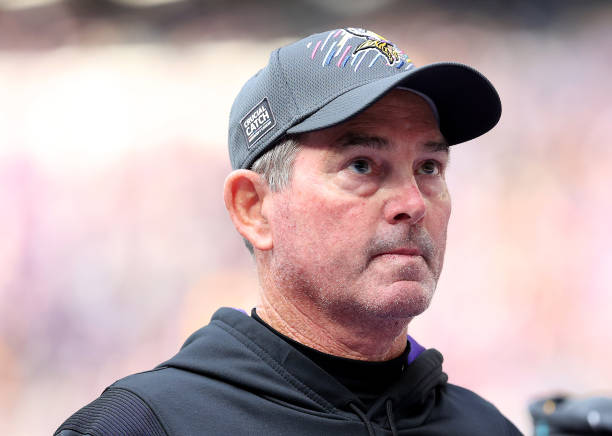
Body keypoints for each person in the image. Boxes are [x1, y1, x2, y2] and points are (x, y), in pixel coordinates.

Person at [55, 28, 522, 436]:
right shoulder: (145, 426)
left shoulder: (486, 426)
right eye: (362, 165)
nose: (413, 203)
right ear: (253, 209)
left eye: (429, 167)